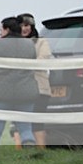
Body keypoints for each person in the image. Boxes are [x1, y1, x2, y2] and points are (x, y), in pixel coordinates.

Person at [0, 17, 39, 147]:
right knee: (26, 129)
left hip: (0, 93)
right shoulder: (29, 44)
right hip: (25, 92)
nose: (0, 33)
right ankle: (31, 155)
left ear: (7, 29)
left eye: (1, 30)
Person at [18, 13, 52, 148]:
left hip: (39, 89)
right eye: (20, 26)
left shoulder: (41, 42)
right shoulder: (14, 43)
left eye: (26, 25)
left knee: (37, 123)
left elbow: (43, 59)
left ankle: (40, 151)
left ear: (31, 26)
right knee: (19, 123)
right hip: (20, 89)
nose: (24, 29)